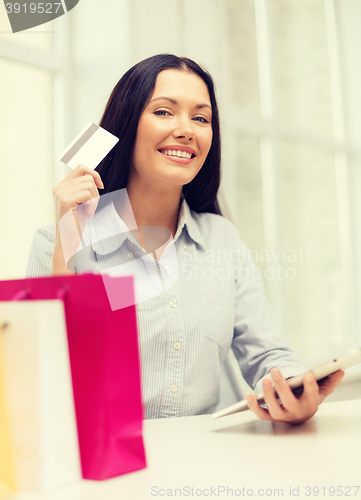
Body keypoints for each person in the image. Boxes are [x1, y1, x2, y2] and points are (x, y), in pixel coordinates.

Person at [27, 53, 344, 423]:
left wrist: (294, 390)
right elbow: (38, 373)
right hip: (104, 467)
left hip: (201, 462)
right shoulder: (55, 242)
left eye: (200, 118)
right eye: (163, 112)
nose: (186, 129)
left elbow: (267, 354)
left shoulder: (221, 239)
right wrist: (67, 246)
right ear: (127, 124)